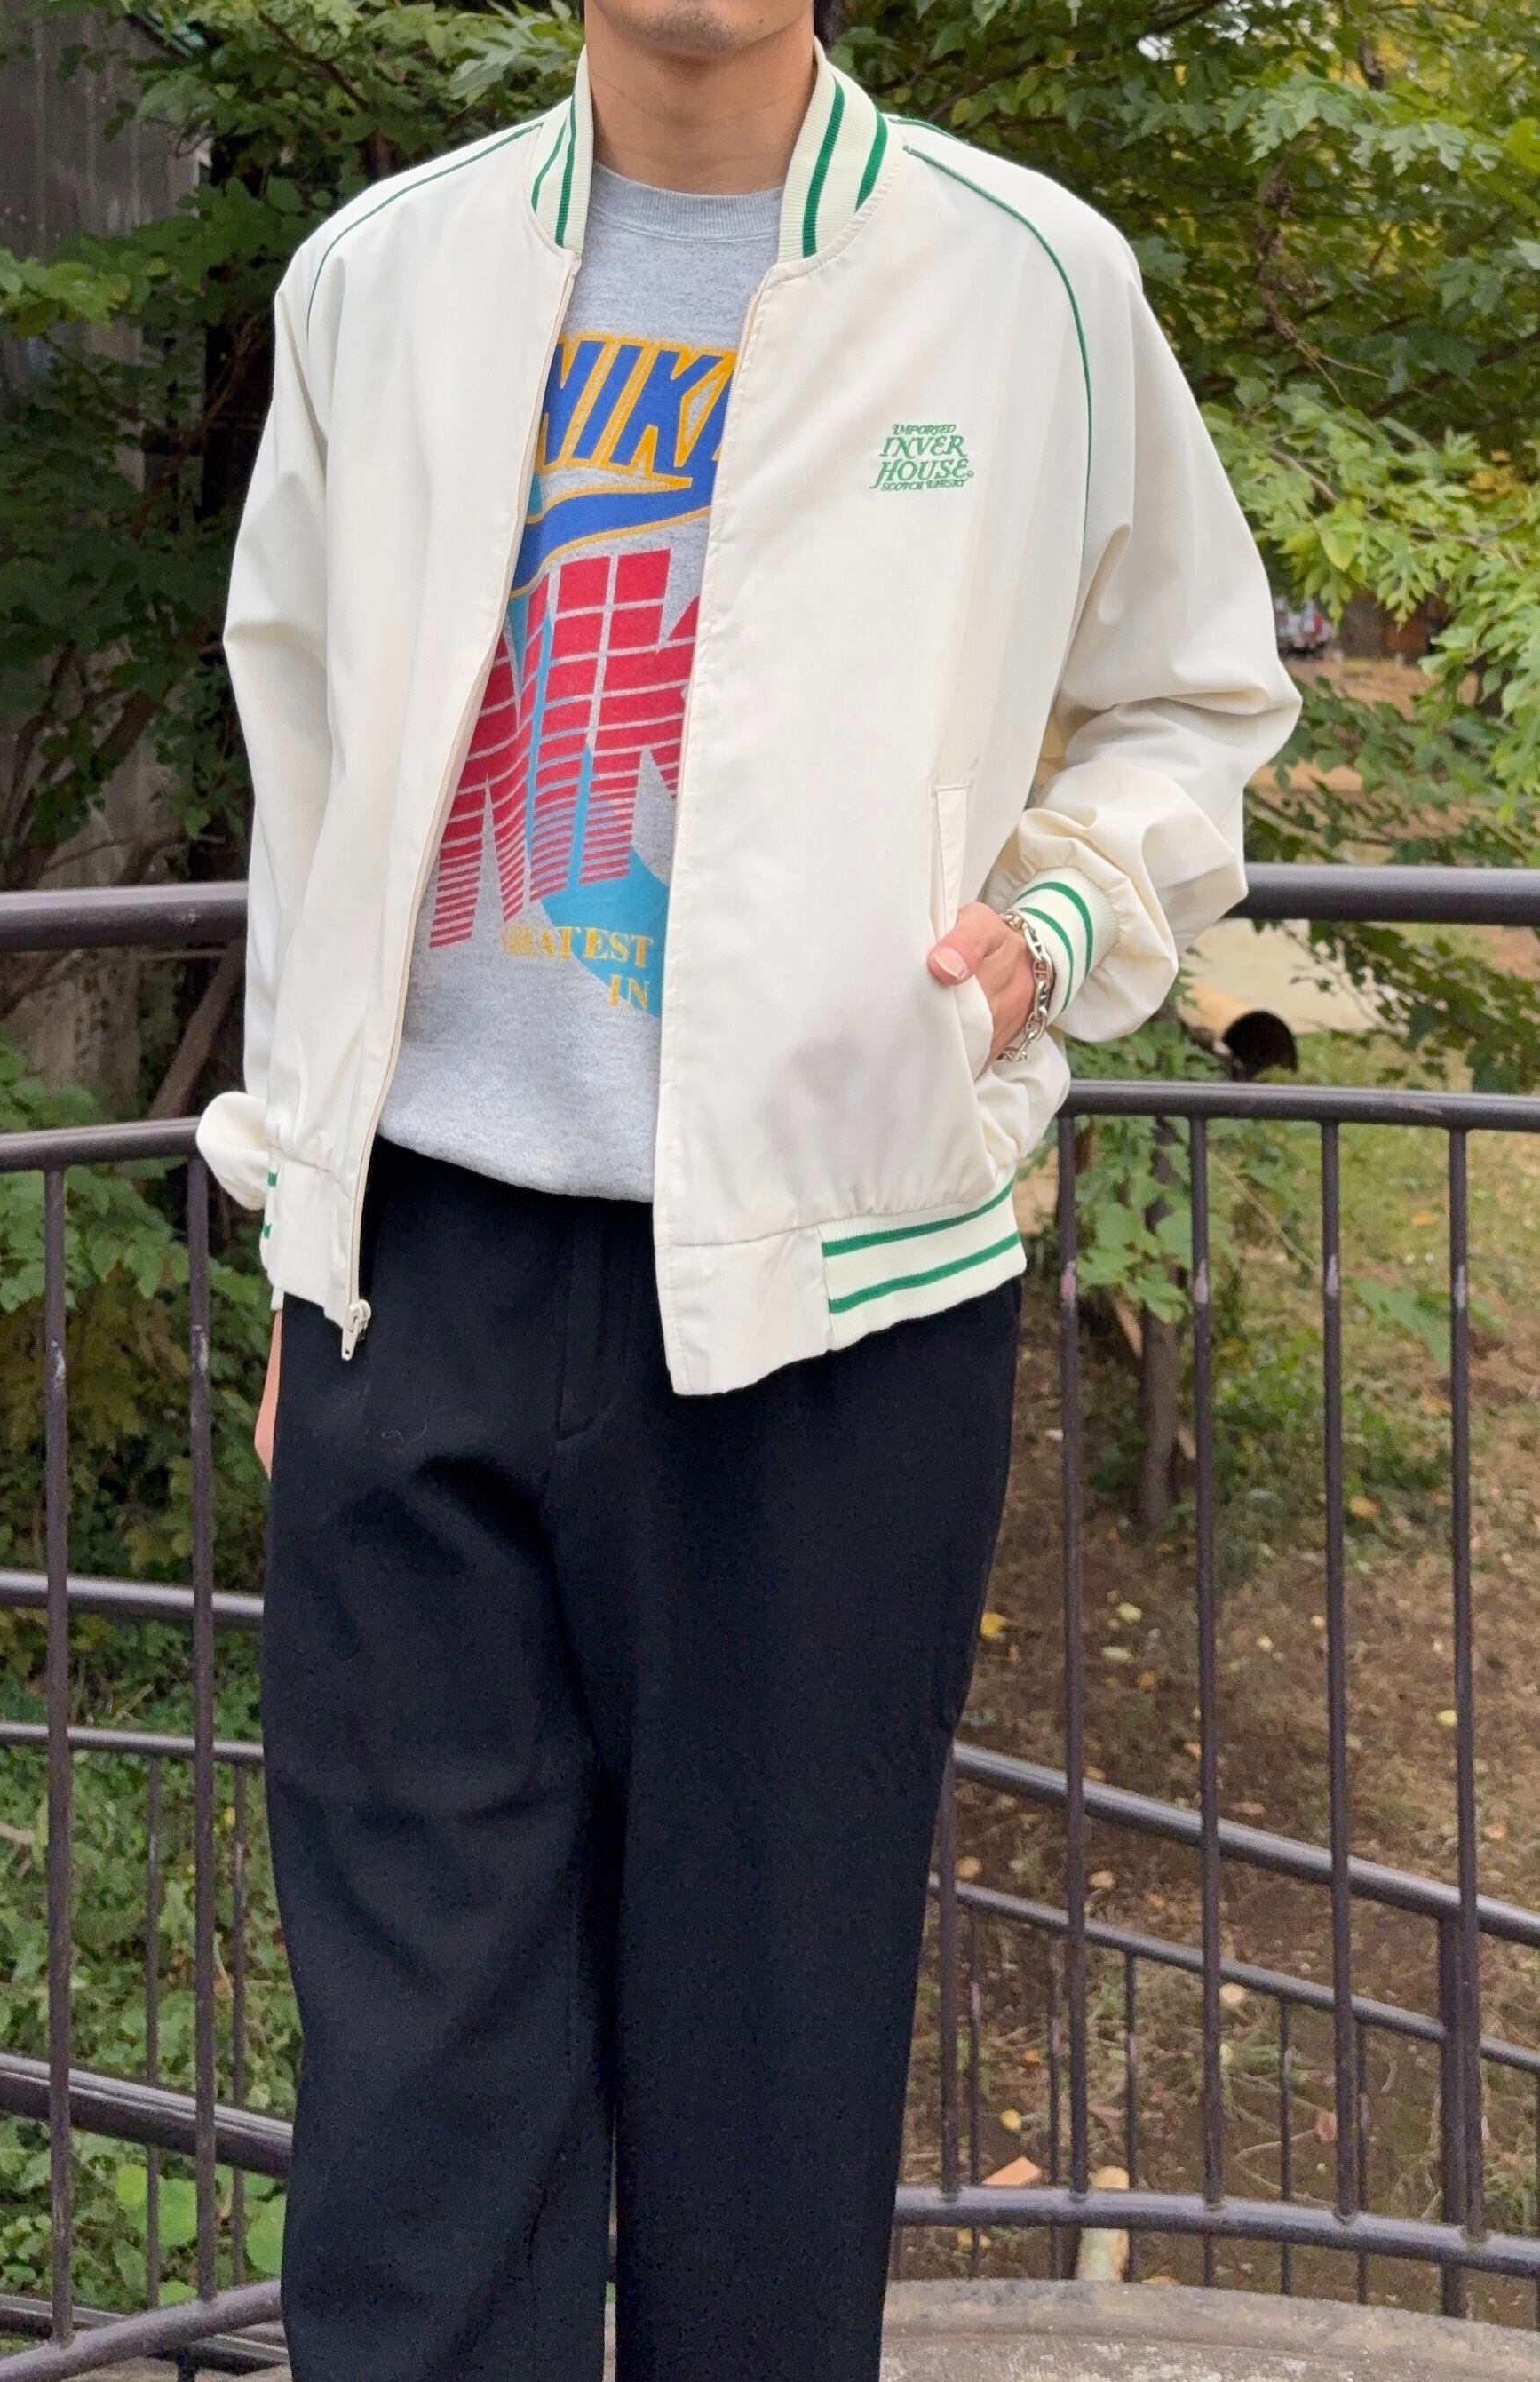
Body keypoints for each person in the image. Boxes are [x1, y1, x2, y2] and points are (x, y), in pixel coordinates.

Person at [195, 0, 1299, 2369]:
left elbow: (1195, 697)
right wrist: (302, 1233)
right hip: (421, 1278)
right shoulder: (380, 276)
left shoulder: (1025, 280)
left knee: (765, 2112)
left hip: (842, 1305)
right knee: (413, 2132)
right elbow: (305, 758)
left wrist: (1068, 913)